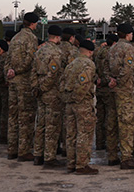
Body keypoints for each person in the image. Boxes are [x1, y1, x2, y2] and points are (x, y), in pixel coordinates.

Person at [108, 24, 134, 170]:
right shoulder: (128, 48)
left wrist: (112, 80)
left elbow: (107, 67)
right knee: (126, 124)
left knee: (112, 123)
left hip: (113, 89)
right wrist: (120, 81)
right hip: (124, 90)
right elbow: (128, 69)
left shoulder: (112, 48)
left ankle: (112, 156)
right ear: (128, 34)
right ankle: (126, 158)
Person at [61, 37, 98, 174]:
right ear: (89, 51)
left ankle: (71, 163)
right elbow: (83, 85)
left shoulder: (71, 64)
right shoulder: (88, 64)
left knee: (71, 134)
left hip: (69, 103)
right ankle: (81, 165)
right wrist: (77, 99)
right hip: (82, 103)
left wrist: (68, 98)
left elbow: (62, 83)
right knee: (84, 134)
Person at [6, 13, 40, 161]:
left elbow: (8, 58)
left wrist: (9, 72)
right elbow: (30, 59)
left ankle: (12, 149)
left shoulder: (15, 38)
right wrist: (18, 71)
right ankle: (24, 151)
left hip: (13, 81)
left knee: (13, 116)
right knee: (25, 117)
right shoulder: (31, 38)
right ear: (33, 24)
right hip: (24, 82)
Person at [33, 25, 67, 167]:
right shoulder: (56, 53)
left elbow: (33, 71)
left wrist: (37, 87)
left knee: (40, 124)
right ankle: (49, 158)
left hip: (41, 92)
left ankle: (38, 155)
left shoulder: (39, 51)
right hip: (52, 92)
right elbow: (53, 75)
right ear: (58, 37)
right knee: (52, 126)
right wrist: (44, 88)